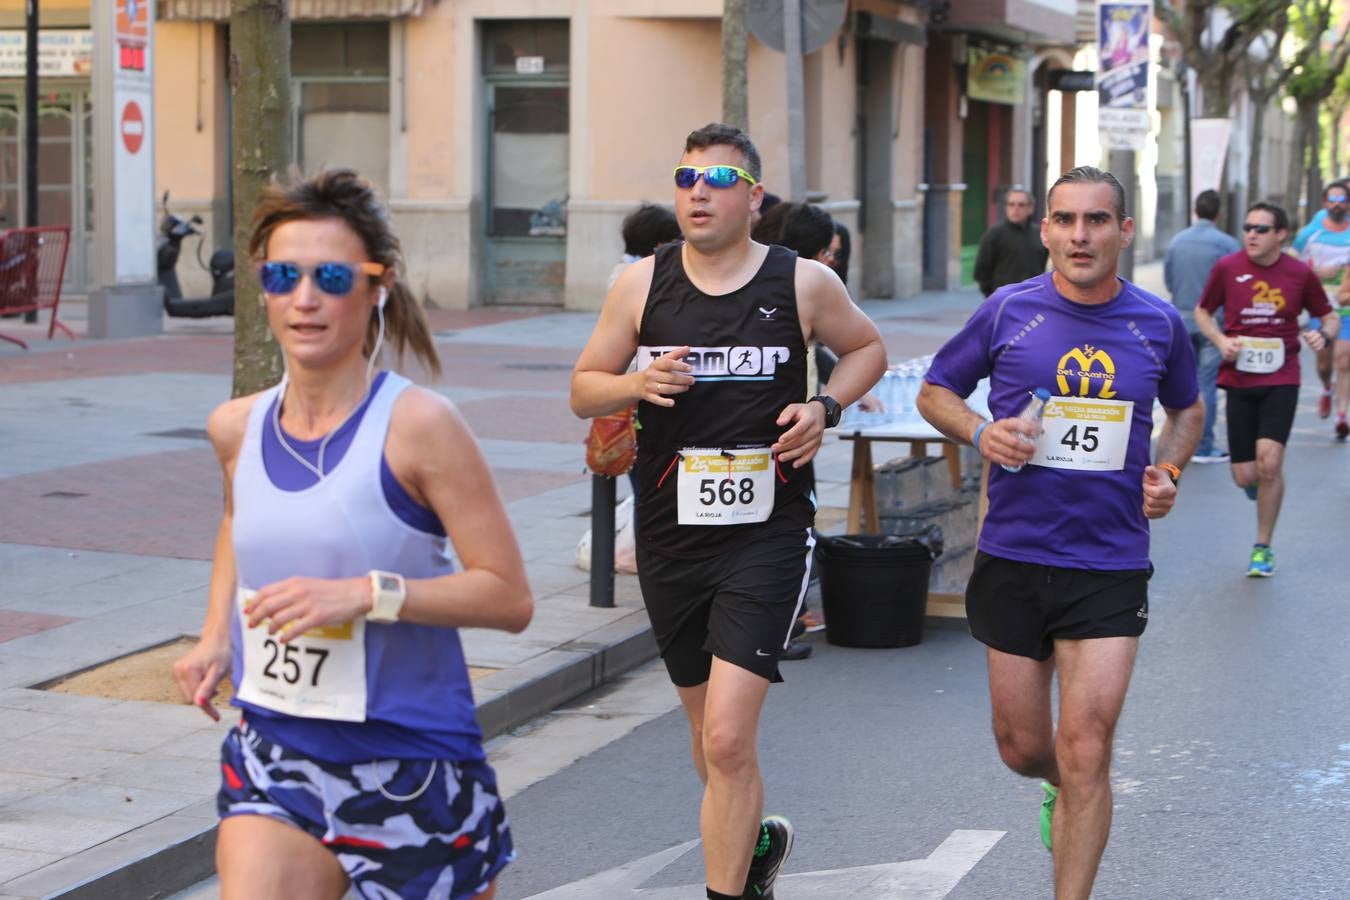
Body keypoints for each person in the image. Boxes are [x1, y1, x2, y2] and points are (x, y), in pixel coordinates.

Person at [172, 169, 533, 900]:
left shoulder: (420, 427)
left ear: (378, 286)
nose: (305, 299)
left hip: (412, 767)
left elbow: (508, 598)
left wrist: (367, 594)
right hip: (277, 752)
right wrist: (214, 633)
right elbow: (239, 521)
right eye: (284, 275)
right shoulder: (235, 427)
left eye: (332, 276)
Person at [570, 123, 886, 900]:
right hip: (670, 533)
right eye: (685, 178)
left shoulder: (803, 283)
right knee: (709, 743)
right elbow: (583, 386)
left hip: (767, 533)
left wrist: (824, 406)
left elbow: (868, 349)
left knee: (726, 734)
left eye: (717, 179)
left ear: (752, 197)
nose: (698, 191)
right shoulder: (641, 284)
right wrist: (632, 387)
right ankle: (752, 853)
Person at [916, 166, 1204, 900]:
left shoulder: (1157, 323)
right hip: (1015, 554)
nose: (1081, 235)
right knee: (1022, 747)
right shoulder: (1009, 311)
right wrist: (982, 434)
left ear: (1123, 231)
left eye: (1098, 220)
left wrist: (1167, 471)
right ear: (1044, 229)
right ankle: (1059, 786)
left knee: (1088, 747)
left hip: (1109, 561)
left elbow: (1188, 412)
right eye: (1066, 220)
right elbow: (935, 391)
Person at [1195, 202, 1338, 575]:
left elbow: (1329, 315)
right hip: (1239, 377)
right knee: (1246, 475)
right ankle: (1260, 488)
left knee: (1270, 463)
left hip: (1282, 376)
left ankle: (1263, 547)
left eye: (1261, 229)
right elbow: (1202, 312)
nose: (1252, 235)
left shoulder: (1298, 273)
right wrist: (1220, 340)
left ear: (1280, 235)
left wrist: (1323, 335)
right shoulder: (1228, 268)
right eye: (1248, 228)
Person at [1163, 189, 1241, 462]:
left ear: (1196, 210)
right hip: (1213, 323)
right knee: (1205, 385)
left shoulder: (1177, 241)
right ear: (1218, 213)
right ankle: (1204, 446)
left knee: (1184, 384)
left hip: (1182, 319)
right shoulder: (1227, 244)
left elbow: (1170, 280)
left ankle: (1183, 441)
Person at [1292, 181, 1350, 436]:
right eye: (1332, 200)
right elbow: (1289, 264)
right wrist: (1318, 271)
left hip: (1347, 308)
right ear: (1325, 203)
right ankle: (1326, 387)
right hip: (1321, 309)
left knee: (1344, 360)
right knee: (1325, 363)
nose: (1337, 205)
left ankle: (1341, 415)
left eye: (1342, 200)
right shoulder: (1309, 234)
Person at [972, 187, 1049, 297]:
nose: (1016, 208)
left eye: (1021, 205)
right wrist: (993, 296)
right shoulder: (994, 234)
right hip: (1003, 300)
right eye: (1011, 204)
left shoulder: (1040, 233)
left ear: (1030, 208)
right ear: (1006, 207)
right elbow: (981, 271)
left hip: (1034, 298)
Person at [609, 202, 682, 289]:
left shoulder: (645, 272)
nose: (680, 247)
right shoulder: (627, 282)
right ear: (659, 246)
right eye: (675, 242)